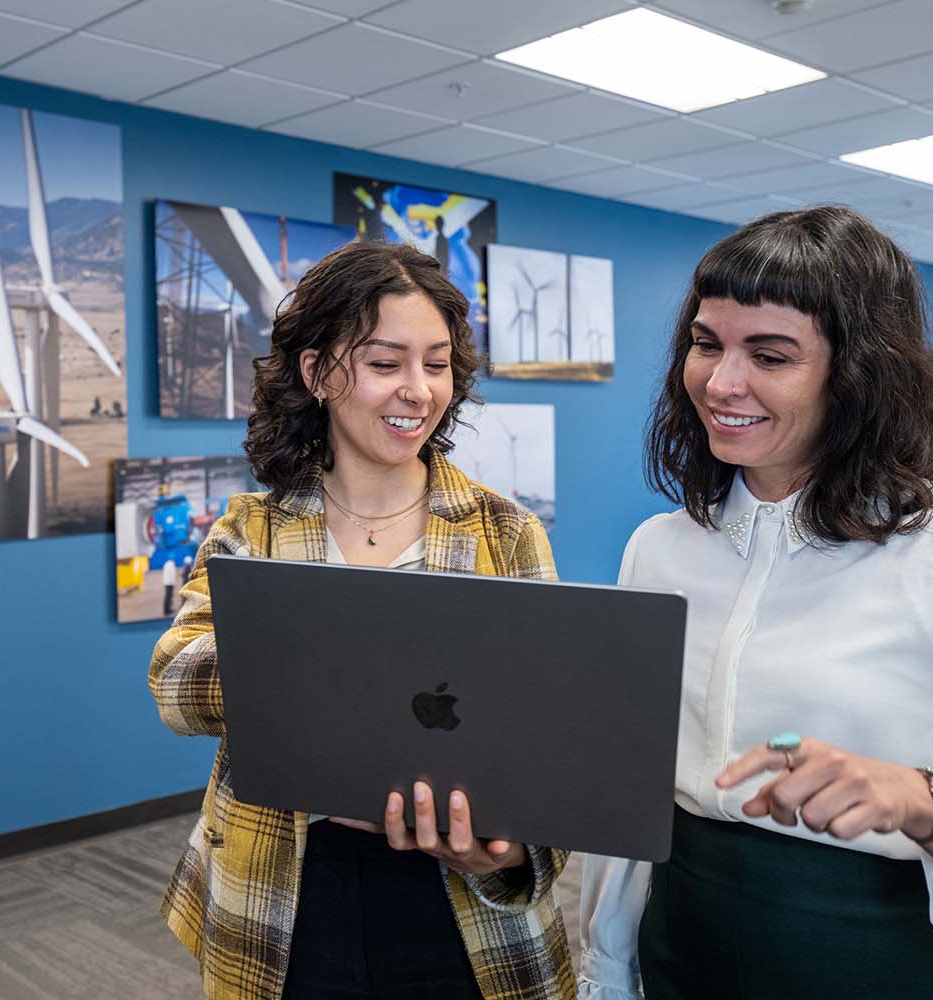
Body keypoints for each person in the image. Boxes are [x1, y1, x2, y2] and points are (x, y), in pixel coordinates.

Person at [578, 206, 933, 1000]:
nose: (720, 381)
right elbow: (629, 805)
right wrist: (606, 969)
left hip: (894, 962)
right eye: (707, 343)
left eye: (770, 355)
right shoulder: (661, 547)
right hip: (687, 953)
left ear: (856, 373)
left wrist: (923, 797)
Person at [149, 241, 573, 1000]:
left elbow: (550, 750)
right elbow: (176, 688)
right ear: (316, 373)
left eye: (436, 365)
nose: (418, 390)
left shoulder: (505, 532)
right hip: (286, 889)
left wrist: (505, 855)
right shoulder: (255, 529)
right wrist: (309, 653)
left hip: (460, 904)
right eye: (386, 364)